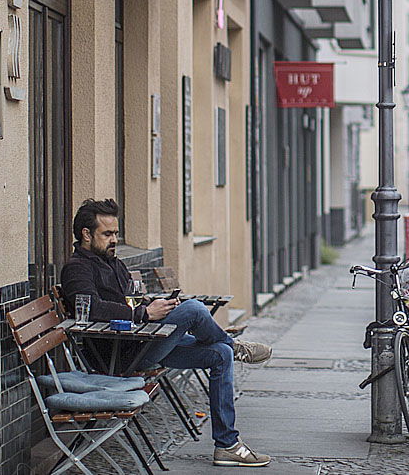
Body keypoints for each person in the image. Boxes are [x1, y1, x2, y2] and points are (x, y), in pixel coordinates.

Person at [61, 199, 273, 468]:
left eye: (116, 233)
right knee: (194, 309)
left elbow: (130, 299)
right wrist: (145, 314)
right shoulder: (77, 268)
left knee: (219, 355)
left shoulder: (112, 262)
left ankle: (227, 444)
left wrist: (152, 305)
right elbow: (91, 308)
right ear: (86, 234)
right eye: (107, 234)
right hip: (119, 356)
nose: (114, 239)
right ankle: (235, 345)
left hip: (142, 340)